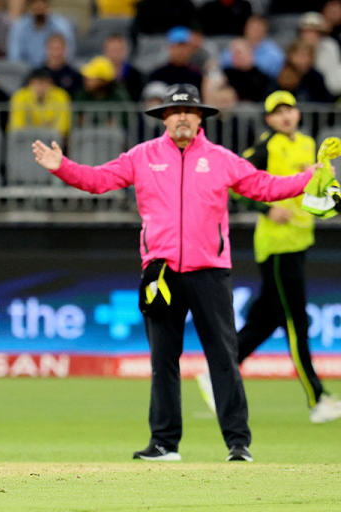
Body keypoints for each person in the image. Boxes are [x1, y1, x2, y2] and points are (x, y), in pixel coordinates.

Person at [31, 84, 337, 463]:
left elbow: (266, 187)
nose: (181, 118)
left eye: (189, 112)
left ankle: (237, 444)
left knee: (223, 358)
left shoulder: (222, 159)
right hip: (161, 274)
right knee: (163, 360)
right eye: (174, 112)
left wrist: (309, 177)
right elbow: (98, 180)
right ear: (164, 118)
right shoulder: (141, 156)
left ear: (200, 119)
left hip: (210, 271)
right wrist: (62, 167)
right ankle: (164, 443)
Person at [196, 91, 341, 424]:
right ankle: (317, 399)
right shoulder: (265, 147)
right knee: (296, 322)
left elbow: (320, 187)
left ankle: (214, 375)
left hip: (300, 241)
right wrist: (265, 208)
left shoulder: (308, 144)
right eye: (278, 112)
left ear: (298, 114)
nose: (285, 115)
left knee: (265, 321)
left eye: (290, 108)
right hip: (277, 247)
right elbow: (235, 185)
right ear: (269, 120)